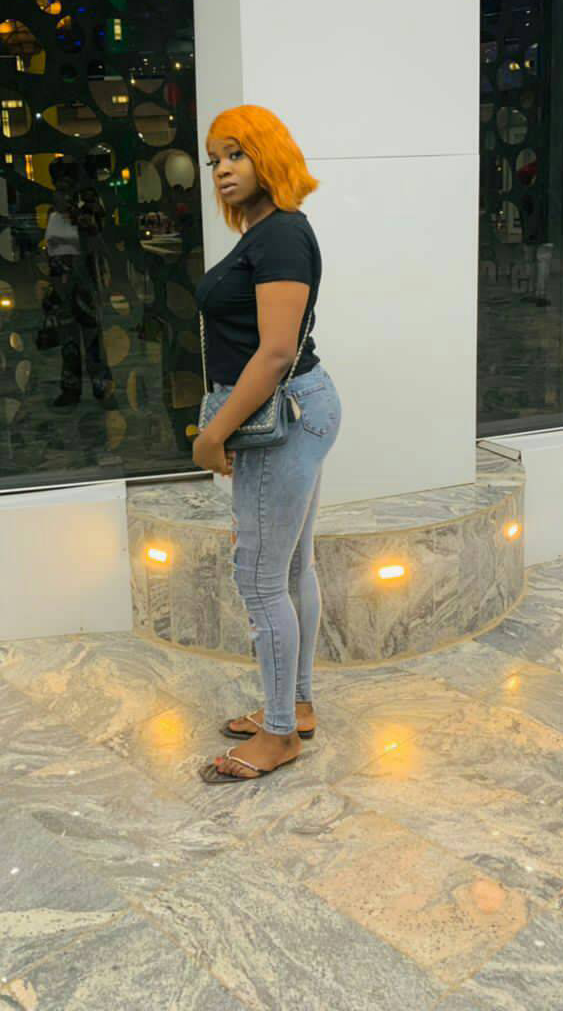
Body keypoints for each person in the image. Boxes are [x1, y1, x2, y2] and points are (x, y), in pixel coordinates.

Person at [194, 105, 341, 784]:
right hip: (298, 409)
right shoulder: (270, 232)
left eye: (236, 154)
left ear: (268, 156)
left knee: (259, 578)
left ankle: (280, 735)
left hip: (279, 415)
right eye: (215, 159)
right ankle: (296, 706)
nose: (222, 170)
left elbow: (276, 350)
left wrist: (214, 432)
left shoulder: (280, 235)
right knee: (289, 570)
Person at [43, 182, 111, 408]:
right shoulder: (55, 219)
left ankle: (99, 387)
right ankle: (73, 389)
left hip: (83, 288)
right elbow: (52, 256)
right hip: (66, 288)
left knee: (91, 341)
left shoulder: (84, 220)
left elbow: (98, 250)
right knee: (70, 343)